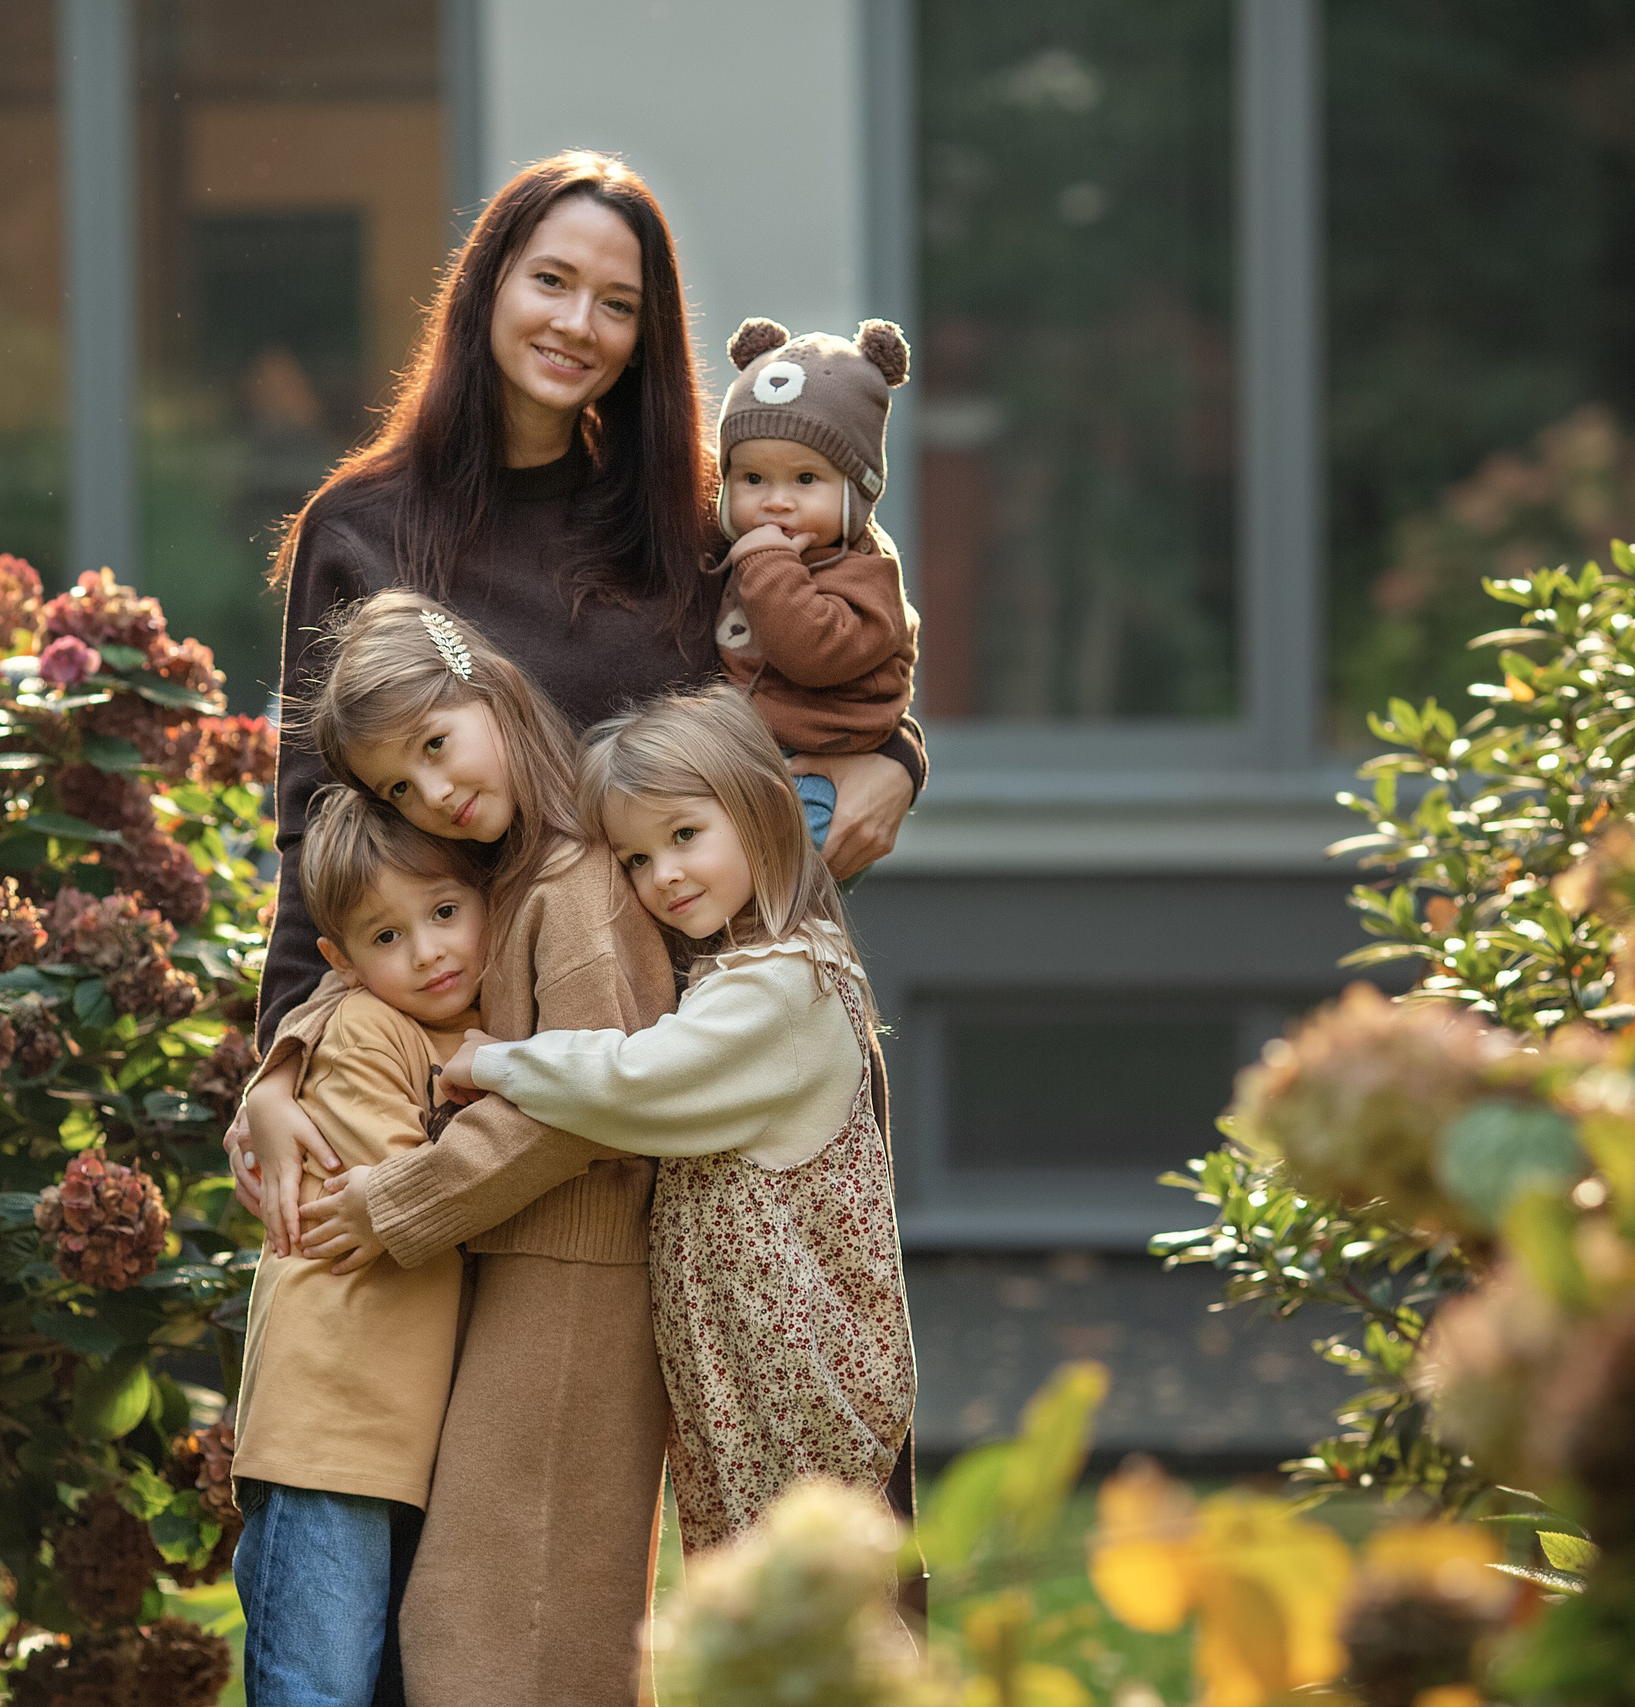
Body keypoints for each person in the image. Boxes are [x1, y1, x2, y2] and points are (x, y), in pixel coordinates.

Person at [226, 151, 928, 1704]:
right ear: (486, 289)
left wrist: (896, 756)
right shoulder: (363, 525)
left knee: (603, 1557)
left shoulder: (676, 525)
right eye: (553, 282)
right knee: (388, 1558)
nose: (580, 325)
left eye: (620, 303)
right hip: (415, 1073)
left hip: (629, 1110)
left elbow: (819, 686)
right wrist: (277, 1063)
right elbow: (310, 838)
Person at [353, 684, 918, 1555]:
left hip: (798, 1390)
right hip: (738, 1386)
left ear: (761, 809)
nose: (665, 877)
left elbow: (632, 1081)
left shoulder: (785, 986)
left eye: (684, 836)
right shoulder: (746, 970)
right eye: (636, 860)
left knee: (809, 1623)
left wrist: (492, 1059)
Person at [246, 590, 678, 1706]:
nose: (432, 793)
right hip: (515, 1275)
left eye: (435, 747)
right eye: (399, 784)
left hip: (576, 1288)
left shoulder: (577, 885)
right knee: (460, 1633)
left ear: (488, 689)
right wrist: (285, 1055)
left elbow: (588, 1098)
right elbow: (378, 984)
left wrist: (404, 1201)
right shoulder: (495, 878)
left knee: (504, 1632)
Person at [231, 787, 490, 1707]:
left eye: (447, 912)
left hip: (395, 1429)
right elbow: (418, 1190)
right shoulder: (360, 1027)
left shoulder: (449, 1031)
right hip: (329, 1429)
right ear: (338, 961)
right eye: (386, 937)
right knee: (318, 1686)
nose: (428, 952)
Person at [710, 317, 920, 851]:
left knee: (781, 864)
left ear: (856, 490)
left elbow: (813, 651)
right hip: (750, 758)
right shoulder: (752, 552)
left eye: (806, 479)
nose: (776, 500)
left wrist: (767, 567)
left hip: (822, 767)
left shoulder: (865, 572)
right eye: (752, 479)